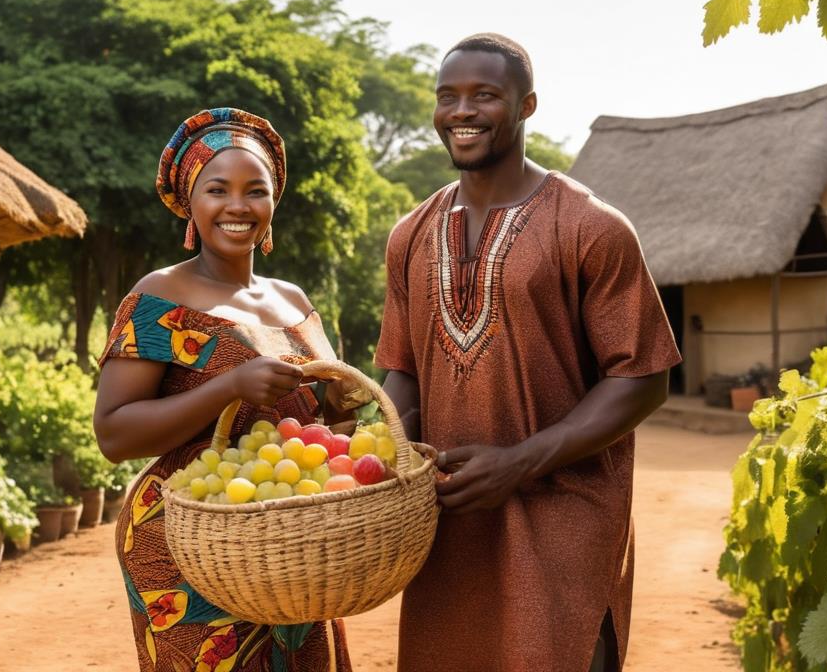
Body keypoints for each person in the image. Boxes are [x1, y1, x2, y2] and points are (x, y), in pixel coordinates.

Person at [375, 34, 681, 672]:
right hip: (450, 520)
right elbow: (399, 371)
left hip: (564, 516)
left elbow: (643, 376)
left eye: (485, 95)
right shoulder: (410, 236)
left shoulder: (591, 227)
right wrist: (386, 467)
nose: (462, 112)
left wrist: (518, 463)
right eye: (448, 97)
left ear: (526, 106)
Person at [93, 107, 359, 671]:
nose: (237, 206)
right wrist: (229, 387)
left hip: (291, 540)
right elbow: (114, 433)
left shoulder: (295, 301)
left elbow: (320, 429)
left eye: (254, 190)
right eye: (218, 189)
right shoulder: (159, 297)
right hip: (189, 545)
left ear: (273, 202)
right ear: (191, 202)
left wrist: (346, 422)